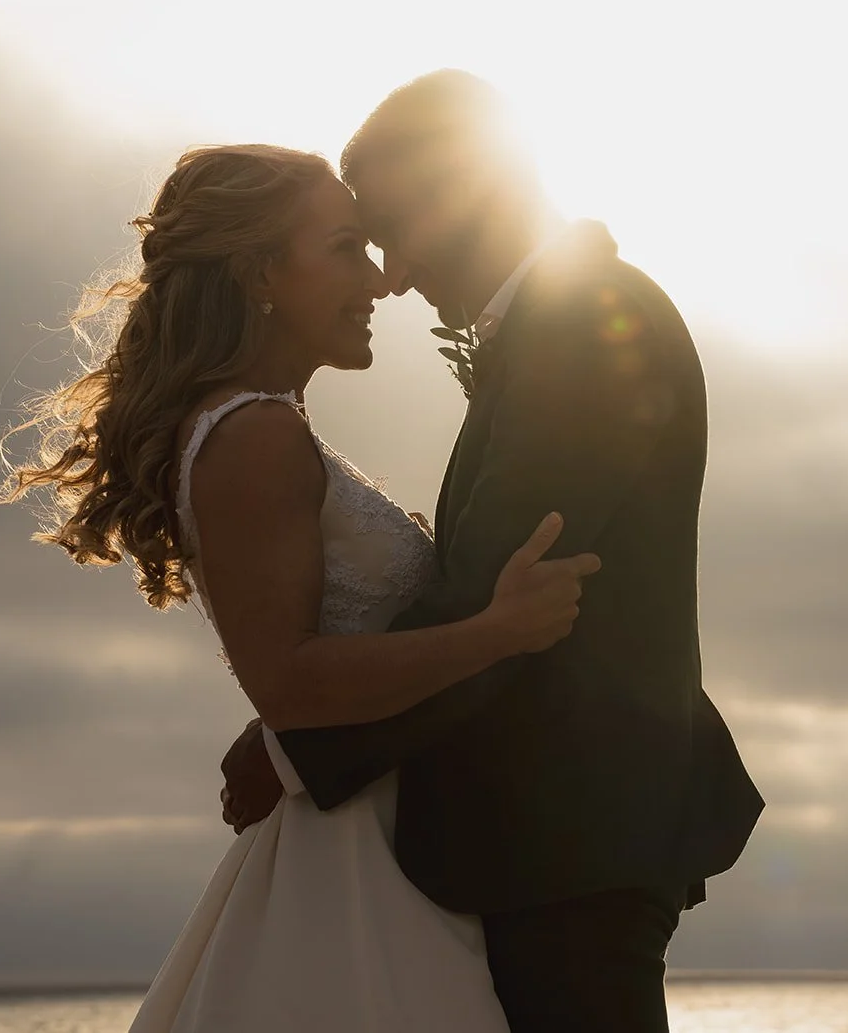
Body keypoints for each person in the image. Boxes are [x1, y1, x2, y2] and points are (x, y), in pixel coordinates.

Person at [1, 143, 599, 1031]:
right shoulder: (255, 434)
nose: (379, 282)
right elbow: (285, 680)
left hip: (391, 831)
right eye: (348, 248)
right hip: (356, 860)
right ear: (261, 273)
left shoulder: (257, 427)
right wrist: (497, 630)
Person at [220, 71, 764, 1032]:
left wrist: (299, 745)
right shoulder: (556, 326)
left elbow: (488, 595)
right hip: (551, 831)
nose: (388, 276)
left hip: (570, 831)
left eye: (389, 230)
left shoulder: (587, 326)